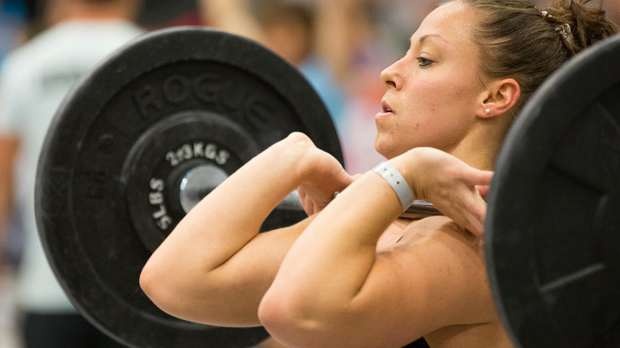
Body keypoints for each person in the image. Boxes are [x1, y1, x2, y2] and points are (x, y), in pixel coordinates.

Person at [139, 0, 617, 347]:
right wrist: (292, 156)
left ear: (495, 97)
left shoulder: (484, 245)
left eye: (425, 59)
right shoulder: (403, 220)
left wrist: (404, 172)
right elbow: (175, 280)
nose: (390, 70)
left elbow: (294, 312)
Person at [0, 0, 142, 347]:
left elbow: (2, 171)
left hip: (48, 286)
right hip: (139, 295)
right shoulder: (152, 54)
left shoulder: (26, 63)